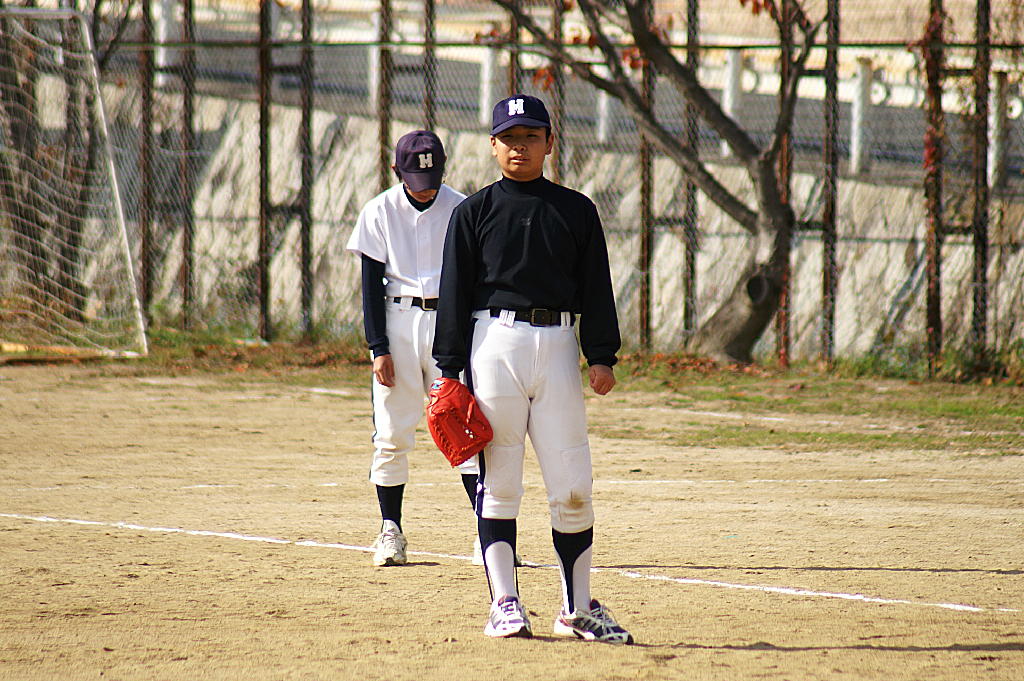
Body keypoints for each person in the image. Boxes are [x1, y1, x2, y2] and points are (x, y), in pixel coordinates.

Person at [432, 94, 633, 644]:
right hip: (494, 342)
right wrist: (448, 369)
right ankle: (505, 603)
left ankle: (576, 609)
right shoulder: (473, 212)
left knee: (573, 484)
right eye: (509, 138)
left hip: (559, 344)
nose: (519, 147)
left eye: (530, 136)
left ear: (549, 143)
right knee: (500, 481)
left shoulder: (576, 210)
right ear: (493, 146)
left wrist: (602, 354)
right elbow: (454, 293)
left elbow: (596, 285)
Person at [346, 130, 480, 567]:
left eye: (432, 179)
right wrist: (378, 347)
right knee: (392, 430)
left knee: (462, 425)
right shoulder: (379, 210)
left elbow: (476, 277)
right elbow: (370, 285)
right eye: (415, 180)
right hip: (399, 320)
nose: (425, 189)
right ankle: (391, 529)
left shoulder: (461, 207)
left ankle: (487, 532)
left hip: (450, 321)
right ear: (396, 171)